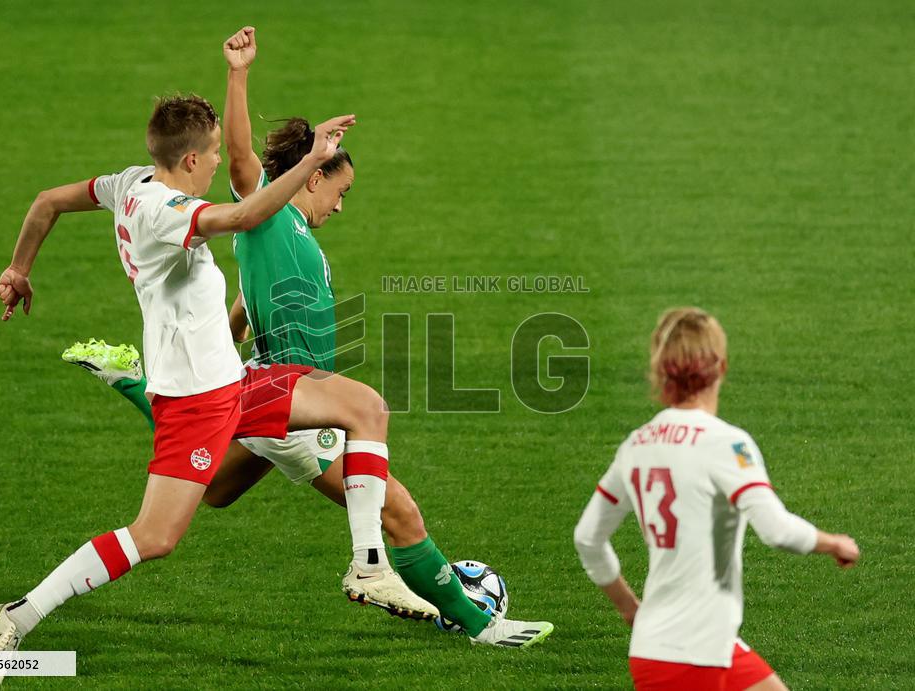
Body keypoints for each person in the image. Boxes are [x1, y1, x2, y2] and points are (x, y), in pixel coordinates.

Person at [60, 28, 554, 647]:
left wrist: (223, 349)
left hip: (261, 392)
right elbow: (241, 156)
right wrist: (238, 74)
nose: (340, 206)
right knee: (399, 511)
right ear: (313, 177)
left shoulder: (284, 240)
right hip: (293, 405)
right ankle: (478, 624)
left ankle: (135, 382)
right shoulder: (269, 220)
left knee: (216, 489)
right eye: (340, 191)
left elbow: (244, 306)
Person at [573, 307, 860, 691]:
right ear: (721, 366)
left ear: (661, 372)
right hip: (694, 655)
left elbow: (587, 538)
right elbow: (776, 530)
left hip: (674, 644)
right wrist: (834, 543)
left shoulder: (636, 445)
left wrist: (630, 609)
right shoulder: (726, 444)